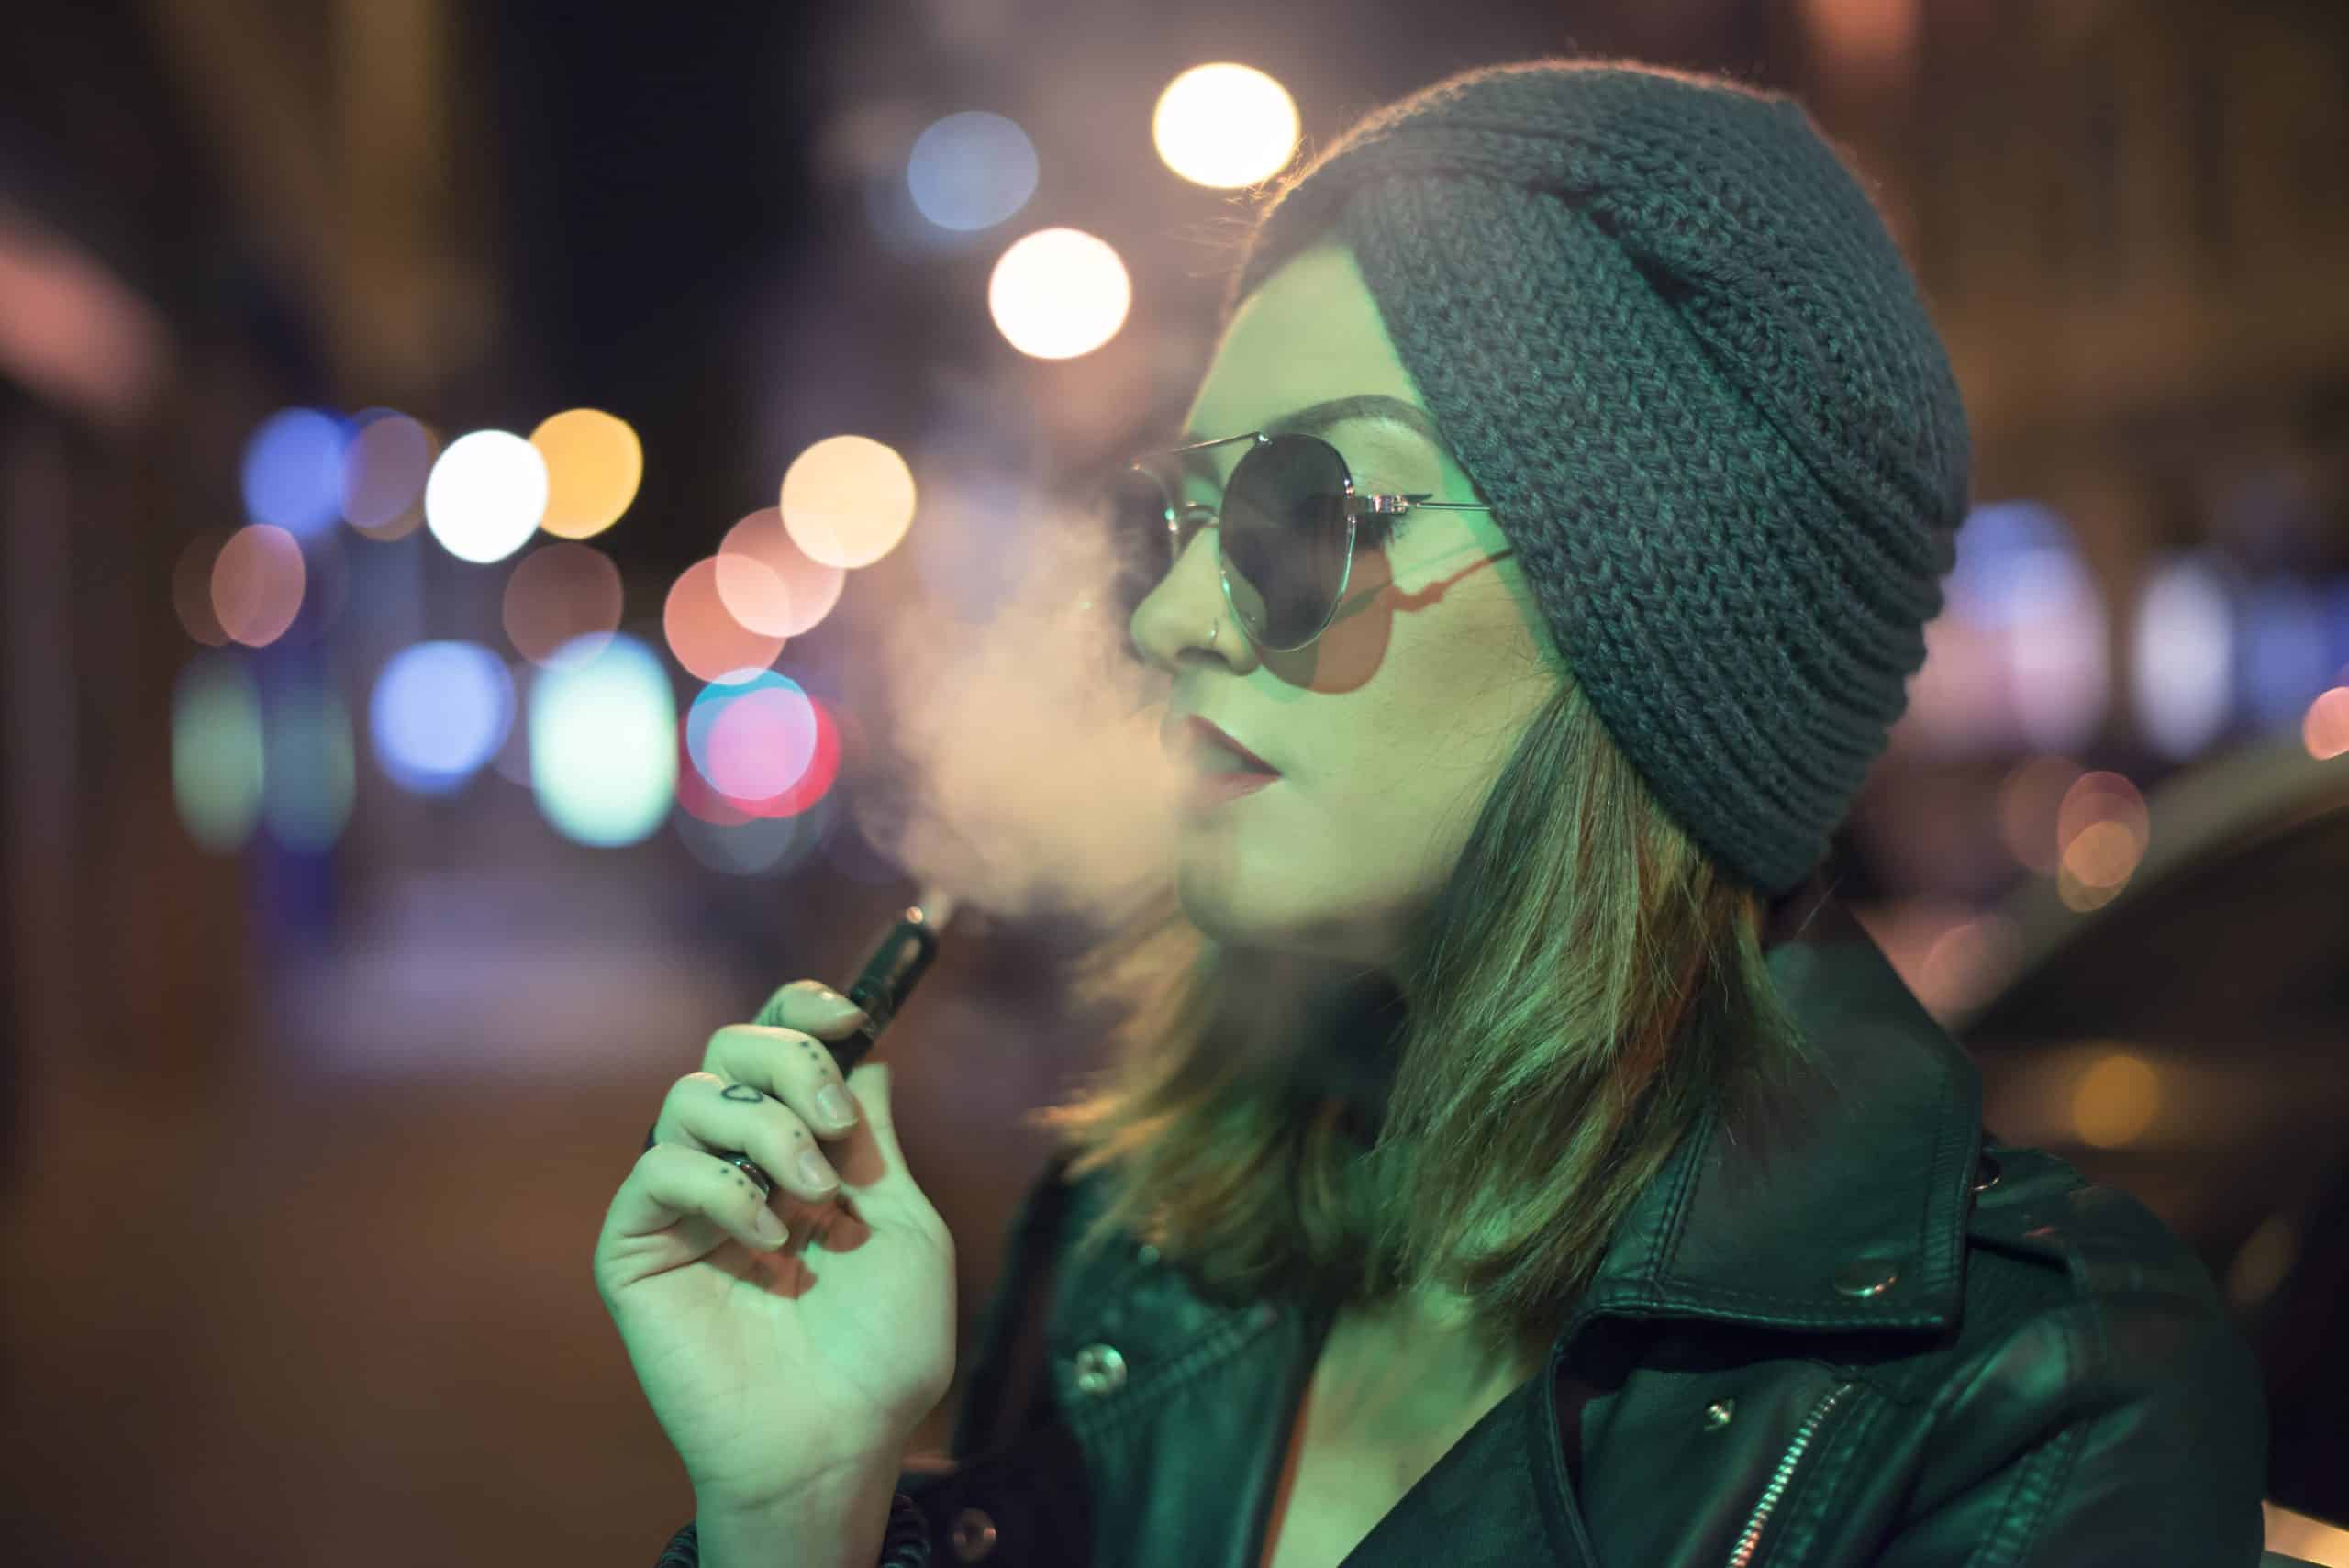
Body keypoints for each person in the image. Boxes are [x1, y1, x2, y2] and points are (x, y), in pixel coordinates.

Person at [594, 58, 2271, 1567]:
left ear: (1652, 613)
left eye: (1299, 505)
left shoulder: (2037, 1398)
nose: (1171, 615)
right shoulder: (1140, 1238)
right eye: (1180, 516)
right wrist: (796, 1518)